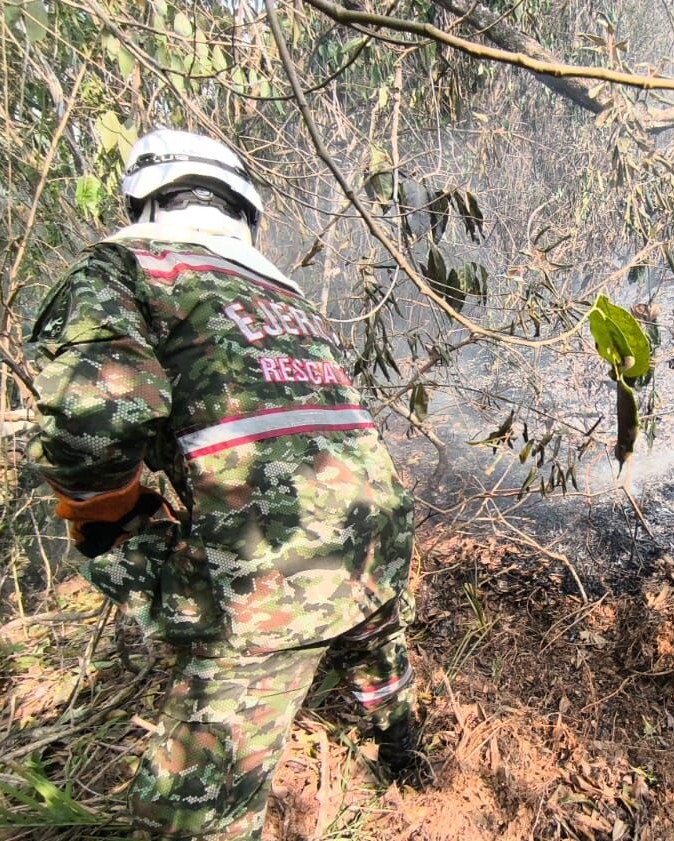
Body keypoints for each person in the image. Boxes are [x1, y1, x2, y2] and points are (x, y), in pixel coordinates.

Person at [28, 128, 419, 839]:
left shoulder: (124, 272)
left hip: (273, 576)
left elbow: (88, 424)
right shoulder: (282, 291)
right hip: (376, 534)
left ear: (144, 199)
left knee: (189, 811)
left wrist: (116, 522)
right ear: (243, 208)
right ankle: (405, 752)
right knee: (376, 636)